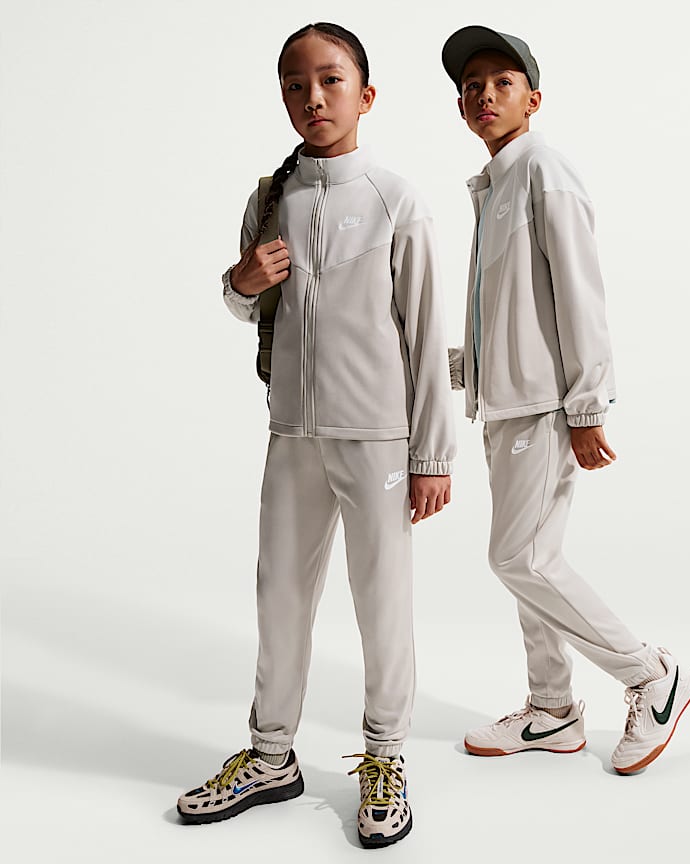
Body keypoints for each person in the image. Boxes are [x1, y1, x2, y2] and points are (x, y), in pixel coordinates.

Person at [176, 23, 455, 848]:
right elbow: (248, 302)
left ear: (366, 95)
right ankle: (271, 756)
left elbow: (425, 335)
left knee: (382, 602)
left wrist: (432, 455)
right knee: (280, 596)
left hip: (378, 438)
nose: (313, 97)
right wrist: (238, 283)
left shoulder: (397, 200)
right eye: (295, 85)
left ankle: (385, 757)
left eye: (330, 80)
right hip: (292, 430)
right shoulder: (271, 197)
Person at [441, 25, 690, 774]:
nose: (485, 95)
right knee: (536, 559)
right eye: (472, 86)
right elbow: (508, 311)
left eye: (503, 82)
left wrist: (587, 407)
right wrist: (454, 370)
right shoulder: (496, 184)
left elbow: (580, 296)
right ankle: (552, 710)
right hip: (506, 404)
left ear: (533, 99)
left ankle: (651, 673)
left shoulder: (543, 172)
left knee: (518, 558)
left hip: (544, 406)